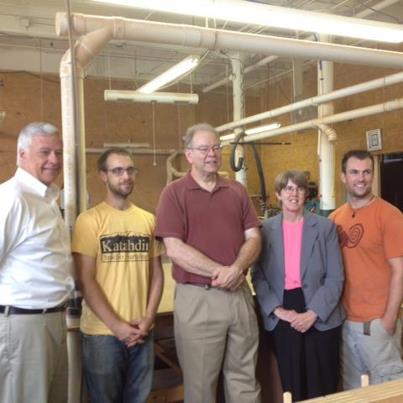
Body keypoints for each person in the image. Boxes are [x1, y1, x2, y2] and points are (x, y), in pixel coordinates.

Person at [155, 123, 261, 403]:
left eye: (216, 147)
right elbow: (174, 249)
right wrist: (221, 272)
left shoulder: (237, 191)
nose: (211, 154)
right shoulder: (174, 194)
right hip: (198, 298)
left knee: (245, 381)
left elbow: (254, 237)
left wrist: (237, 269)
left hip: (238, 295)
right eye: (204, 149)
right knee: (201, 387)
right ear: (189, 154)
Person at [72, 148, 164, 403]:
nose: (126, 176)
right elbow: (85, 279)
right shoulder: (89, 221)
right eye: (117, 171)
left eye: (130, 170)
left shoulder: (148, 220)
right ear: (103, 176)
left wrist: (147, 320)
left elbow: (156, 275)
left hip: (142, 331)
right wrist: (117, 326)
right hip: (103, 334)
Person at [252, 170, 345, 402]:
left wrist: (312, 314)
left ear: (306, 194)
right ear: (278, 195)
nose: (294, 194)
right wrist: (278, 311)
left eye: (300, 188)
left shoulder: (325, 228)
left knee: (323, 382)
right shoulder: (265, 231)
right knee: (292, 383)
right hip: (283, 311)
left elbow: (336, 277)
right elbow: (258, 275)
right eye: (288, 189)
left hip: (319, 310)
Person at [0, 121, 74, 403]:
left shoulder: (46, 198)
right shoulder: (11, 199)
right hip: (23, 324)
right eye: (45, 152)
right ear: (21, 154)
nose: (54, 160)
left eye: (58, 152)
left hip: (53, 319)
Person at [330, 149, 403, 390]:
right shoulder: (335, 219)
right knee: (355, 393)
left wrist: (389, 319)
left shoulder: (390, 215)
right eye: (354, 172)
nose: (361, 178)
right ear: (343, 176)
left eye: (366, 172)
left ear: (372, 175)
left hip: (377, 325)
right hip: (346, 324)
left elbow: (399, 270)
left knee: (388, 393)